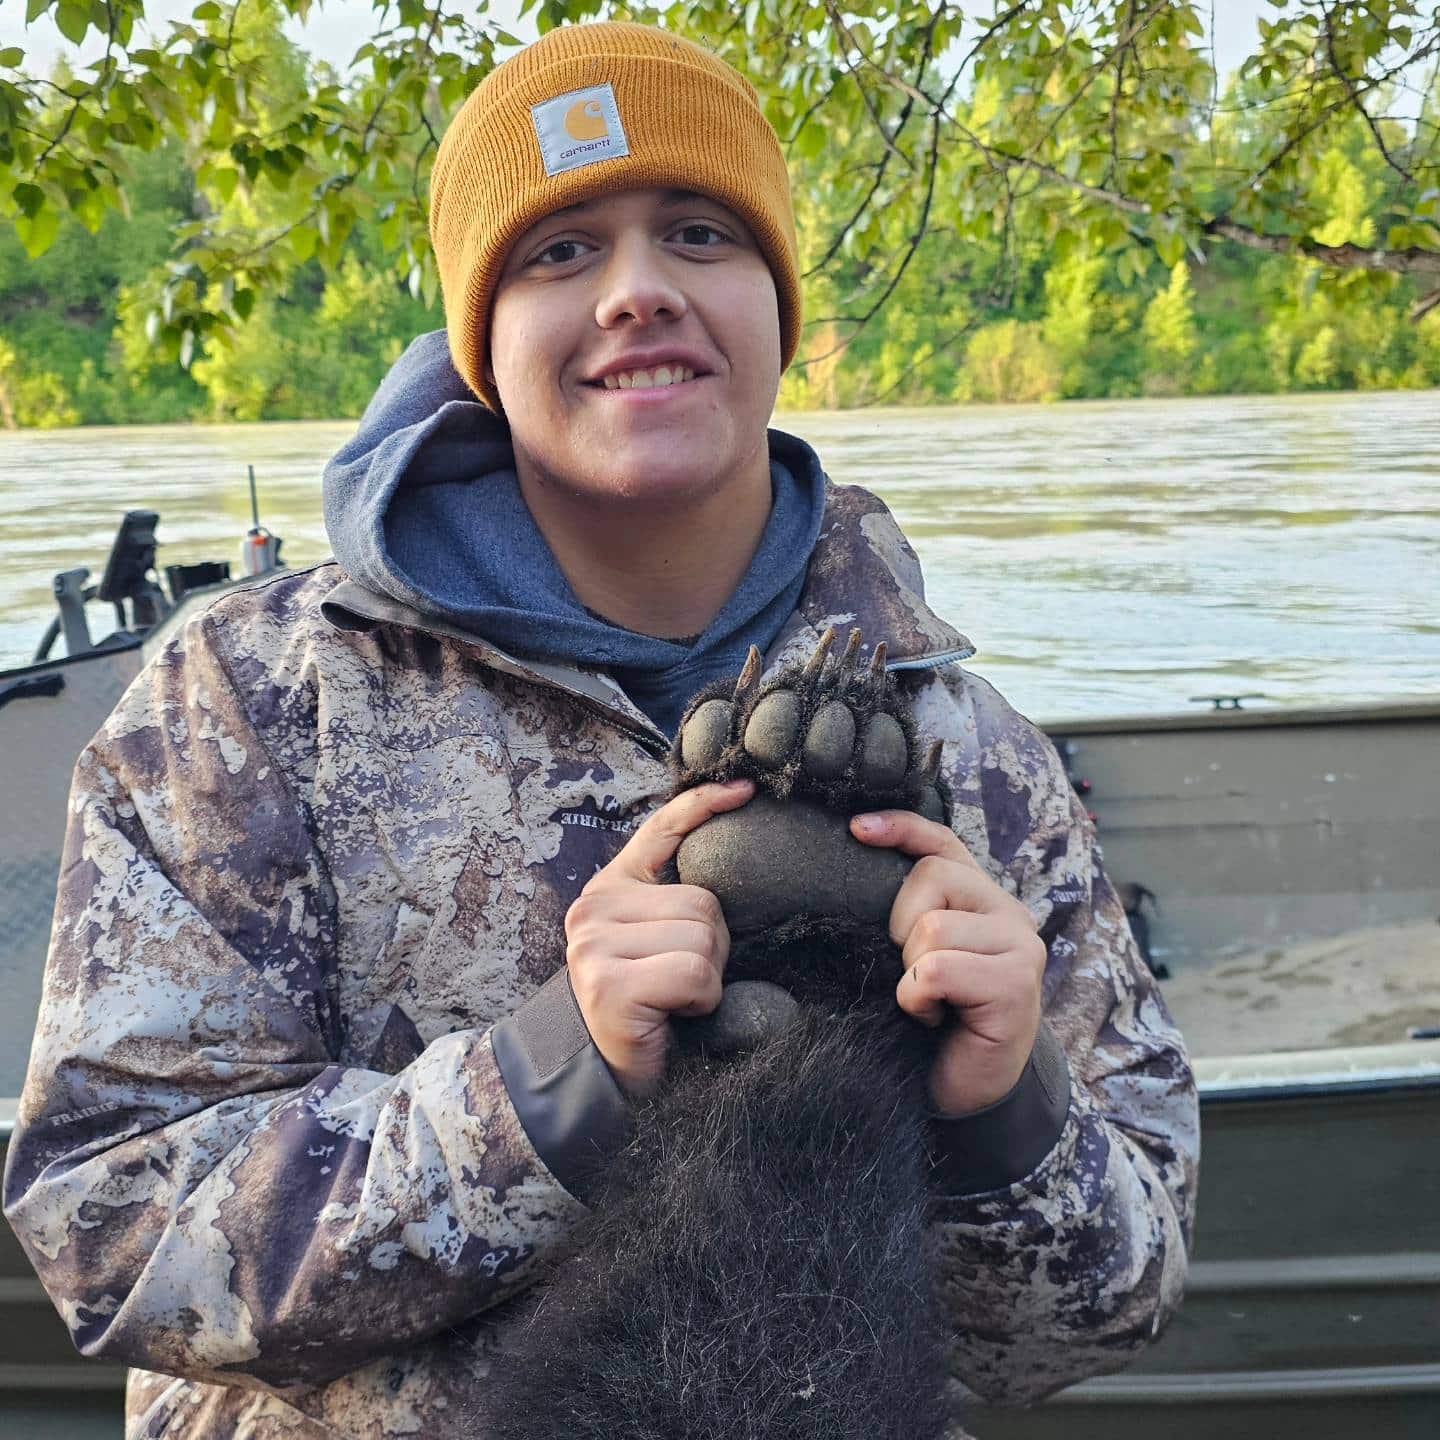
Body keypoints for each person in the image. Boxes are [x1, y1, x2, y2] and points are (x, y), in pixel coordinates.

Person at [2, 20, 1198, 1439]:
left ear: (775, 305)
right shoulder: (247, 703)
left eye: (699, 232)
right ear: (482, 344)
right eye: (560, 253)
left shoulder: (968, 747)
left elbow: (1107, 1310)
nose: (640, 292)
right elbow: (116, 1235)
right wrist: (549, 1081)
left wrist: (999, 1104)